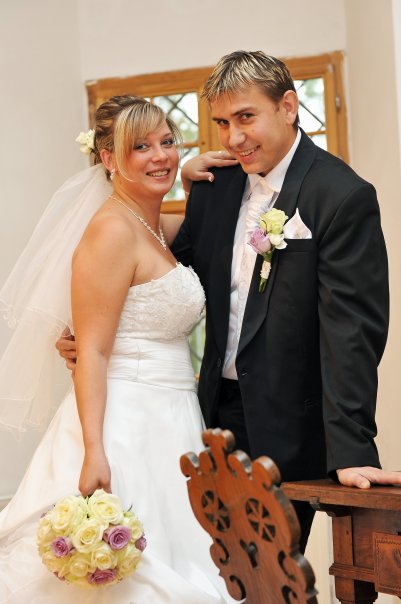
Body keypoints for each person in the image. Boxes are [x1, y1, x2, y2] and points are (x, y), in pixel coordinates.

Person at [0, 96, 233, 603]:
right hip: (126, 424)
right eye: (140, 147)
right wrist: (94, 451)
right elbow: (93, 353)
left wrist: (190, 179)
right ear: (108, 158)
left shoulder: (150, 226)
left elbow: (196, 232)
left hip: (173, 418)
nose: (160, 156)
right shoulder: (110, 231)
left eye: (167, 142)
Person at [172, 50, 401, 549]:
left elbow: (351, 331)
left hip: (289, 426)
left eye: (246, 117)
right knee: (207, 567)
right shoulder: (213, 186)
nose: (233, 138)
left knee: (272, 571)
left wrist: (352, 448)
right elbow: (168, 272)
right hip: (209, 420)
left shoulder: (341, 195)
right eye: (222, 123)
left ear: (289, 107)